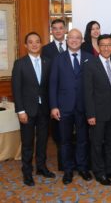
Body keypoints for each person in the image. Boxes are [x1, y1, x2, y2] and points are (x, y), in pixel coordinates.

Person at [49, 28, 93, 185]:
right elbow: (52, 84)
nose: (74, 40)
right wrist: (53, 106)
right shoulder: (58, 59)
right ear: (67, 40)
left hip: (83, 107)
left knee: (83, 140)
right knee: (65, 141)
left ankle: (82, 168)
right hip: (64, 107)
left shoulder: (89, 58)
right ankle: (68, 170)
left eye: (78, 38)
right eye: (72, 38)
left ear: (82, 40)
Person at [12, 32, 55, 186]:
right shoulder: (20, 64)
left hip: (44, 109)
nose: (34, 44)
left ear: (41, 44)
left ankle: (41, 168)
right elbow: (16, 89)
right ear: (26, 45)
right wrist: (20, 111)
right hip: (27, 111)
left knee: (43, 141)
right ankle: (27, 172)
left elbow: (50, 86)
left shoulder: (47, 62)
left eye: (37, 41)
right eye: (31, 42)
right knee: (28, 143)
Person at [83, 34, 111, 186]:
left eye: (109, 45)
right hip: (97, 114)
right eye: (103, 45)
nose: (106, 48)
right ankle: (99, 173)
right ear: (98, 47)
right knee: (97, 144)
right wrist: (90, 114)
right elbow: (87, 92)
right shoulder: (90, 64)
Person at [41, 18, 67, 170]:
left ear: (65, 30)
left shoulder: (73, 45)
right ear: (51, 31)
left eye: (60, 28)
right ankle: (62, 163)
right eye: (55, 28)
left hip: (71, 95)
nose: (58, 31)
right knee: (57, 132)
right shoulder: (46, 49)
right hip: (55, 96)